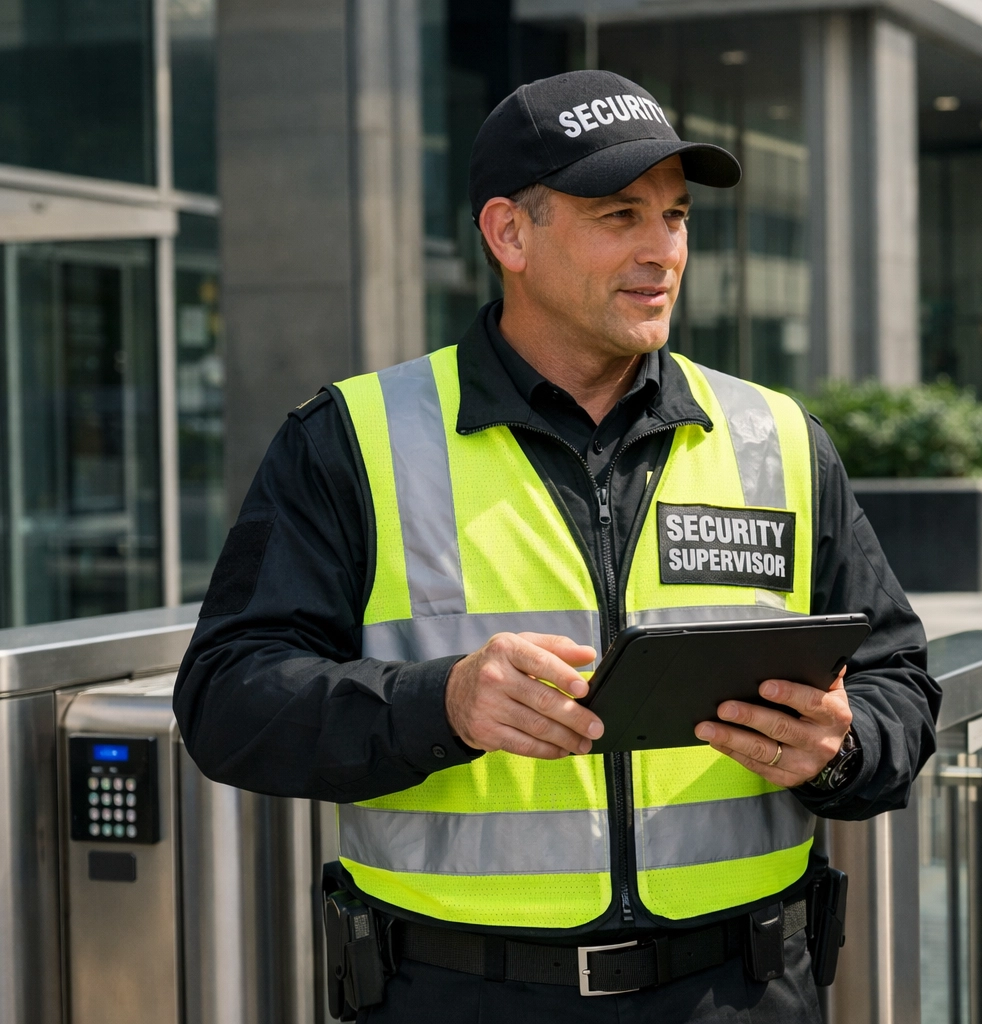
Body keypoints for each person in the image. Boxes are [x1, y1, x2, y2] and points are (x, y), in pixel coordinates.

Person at [174, 69, 939, 1023]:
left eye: (676, 216)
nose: (662, 250)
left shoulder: (775, 436)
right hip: (458, 995)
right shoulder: (353, 439)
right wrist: (438, 702)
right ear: (509, 234)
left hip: (743, 990)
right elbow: (225, 700)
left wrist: (842, 745)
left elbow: (898, 683)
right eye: (619, 215)